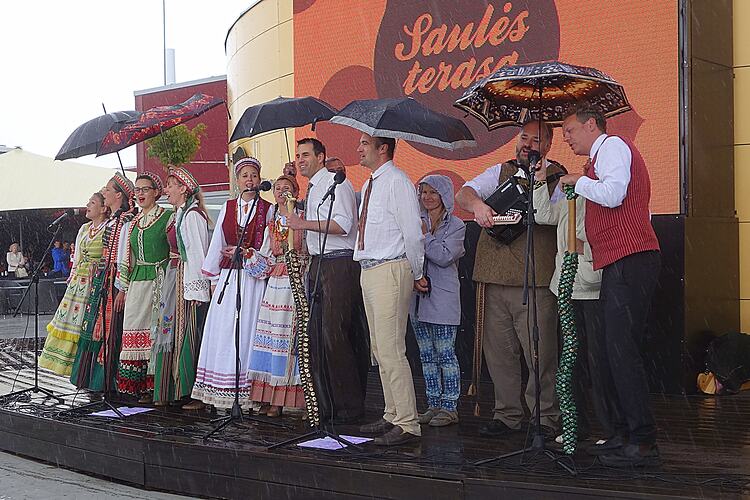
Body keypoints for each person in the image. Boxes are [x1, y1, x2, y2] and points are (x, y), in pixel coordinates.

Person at [559, 105, 661, 467]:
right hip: (621, 261)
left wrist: (578, 181)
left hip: (631, 260)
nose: (565, 137)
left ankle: (643, 441)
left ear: (591, 125)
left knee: (622, 352)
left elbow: (615, 194)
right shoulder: (600, 159)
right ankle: (622, 433)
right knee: (611, 351)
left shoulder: (614, 146)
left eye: (570, 130)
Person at [456, 120, 564, 439]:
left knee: (541, 352)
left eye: (536, 139)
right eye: (524, 137)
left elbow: (557, 215)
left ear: (547, 146)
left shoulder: (558, 174)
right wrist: (477, 205)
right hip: (493, 277)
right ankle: (507, 414)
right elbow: (464, 193)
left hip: (535, 279)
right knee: (499, 351)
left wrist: (542, 180)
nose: (527, 144)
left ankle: (545, 416)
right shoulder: (499, 171)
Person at [532, 159, 619, 445]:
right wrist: (541, 181)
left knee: (599, 361)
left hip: (593, 288)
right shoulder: (573, 200)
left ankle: (611, 429)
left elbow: (617, 240)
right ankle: (576, 425)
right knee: (572, 360)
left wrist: (586, 248)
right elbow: (543, 214)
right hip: (566, 288)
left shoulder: (607, 201)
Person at [286, 138, 370, 424]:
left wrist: (302, 224)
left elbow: (343, 225)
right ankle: (327, 405)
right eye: (298, 155)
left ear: (321, 157)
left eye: (306, 155)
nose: (300, 160)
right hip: (319, 263)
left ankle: (349, 407)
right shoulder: (315, 188)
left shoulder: (338, 183)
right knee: (318, 336)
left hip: (338, 263)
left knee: (335, 335)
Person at [354, 133, 426, 446]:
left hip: (391, 267)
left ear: (383, 148)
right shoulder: (371, 183)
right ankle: (392, 413)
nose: (358, 149)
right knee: (380, 348)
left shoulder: (397, 181)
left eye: (364, 144)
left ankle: (408, 423)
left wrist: (418, 270)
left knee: (392, 348)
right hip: (369, 269)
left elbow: (413, 232)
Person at [192, 157, 272, 410]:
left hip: (253, 279)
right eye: (245, 175)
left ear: (259, 180)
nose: (250, 180)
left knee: (248, 329)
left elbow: (268, 247)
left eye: (254, 176)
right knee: (226, 330)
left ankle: (248, 391)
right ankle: (223, 389)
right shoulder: (228, 207)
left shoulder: (267, 209)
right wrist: (214, 279)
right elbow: (217, 243)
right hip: (229, 277)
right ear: (237, 181)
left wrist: (251, 256)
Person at [243, 175, 307, 417]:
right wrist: (249, 254)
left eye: (287, 188)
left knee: (291, 338)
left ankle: (298, 399)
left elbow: (309, 247)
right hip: (277, 281)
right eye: (278, 188)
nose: (281, 192)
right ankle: (273, 398)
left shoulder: (301, 218)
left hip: (297, 278)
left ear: (296, 192)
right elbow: (266, 258)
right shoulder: (273, 222)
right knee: (273, 337)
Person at [70, 173, 136, 391]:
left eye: (108, 190)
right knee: (97, 326)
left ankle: (109, 381)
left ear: (118, 195)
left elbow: (125, 256)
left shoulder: (126, 220)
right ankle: (94, 380)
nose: (104, 193)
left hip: (115, 279)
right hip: (104, 277)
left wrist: (122, 287)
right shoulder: (116, 221)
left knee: (112, 329)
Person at [153, 167, 211, 408]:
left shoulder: (193, 216)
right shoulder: (180, 214)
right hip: (177, 276)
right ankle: (173, 389)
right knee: (174, 329)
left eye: (170, 185)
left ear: (183, 189)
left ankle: (191, 391)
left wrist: (199, 290)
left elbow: (199, 253)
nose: (166, 190)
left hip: (188, 280)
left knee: (189, 331)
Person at [410, 175, 465, 427]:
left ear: (444, 196)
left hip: (443, 299)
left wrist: (424, 237)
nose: (428, 197)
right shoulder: (413, 221)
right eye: (424, 192)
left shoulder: (457, 225)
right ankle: (433, 404)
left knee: (445, 354)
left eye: (434, 192)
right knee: (426, 355)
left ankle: (450, 407)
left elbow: (444, 256)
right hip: (417, 300)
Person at [39, 193, 109, 376]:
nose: (88, 205)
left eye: (92, 203)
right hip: (79, 280)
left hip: (95, 280)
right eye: (88, 202)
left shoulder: (108, 228)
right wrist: (73, 275)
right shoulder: (84, 228)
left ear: (103, 208)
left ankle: (83, 365)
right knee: (68, 318)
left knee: (85, 323)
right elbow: (77, 257)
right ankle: (63, 363)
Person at [117, 172, 173, 402]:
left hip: (162, 279)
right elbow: (125, 258)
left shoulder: (168, 217)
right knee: (134, 327)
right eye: (137, 190)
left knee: (156, 330)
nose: (140, 194)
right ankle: (135, 385)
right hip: (138, 281)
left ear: (156, 192)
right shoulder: (131, 224)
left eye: (145, 189)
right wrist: (122, 288)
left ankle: (155, 385)